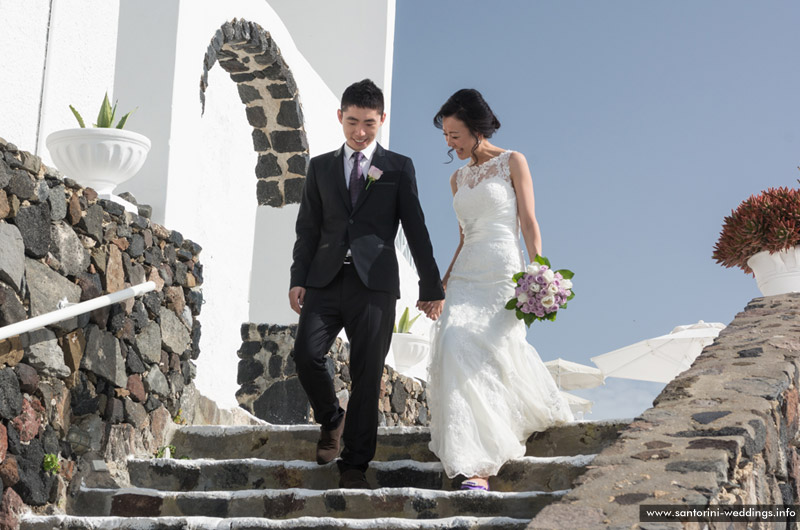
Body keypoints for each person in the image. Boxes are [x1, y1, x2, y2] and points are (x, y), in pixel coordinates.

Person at [289, 79, 445, 489]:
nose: (360, 132)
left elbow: (415, 228)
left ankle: (355, 465)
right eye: (353, 121)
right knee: (305, 354)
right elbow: (307, 229)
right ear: (340, 117)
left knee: (367, 373)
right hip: (323, 280)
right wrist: (297, 279)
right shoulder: (320, 166)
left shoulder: (397, 167)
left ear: (382, 121)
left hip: (374, 285)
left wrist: (431, 285)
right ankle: (331, 419)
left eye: (369, 124)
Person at [426, 89, 573, 491]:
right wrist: (440, 284)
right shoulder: (457, 178)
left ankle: (484, 459)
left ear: (476, 130)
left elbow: (528, 221)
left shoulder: (513, 161)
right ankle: (472, 461)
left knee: (494, 352)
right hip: (465, 277)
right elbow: (461, 237)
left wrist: (538, 272)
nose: (449, 143)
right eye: (445, 136)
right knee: (455, 343)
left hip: (503, 274)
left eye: (454, 134)